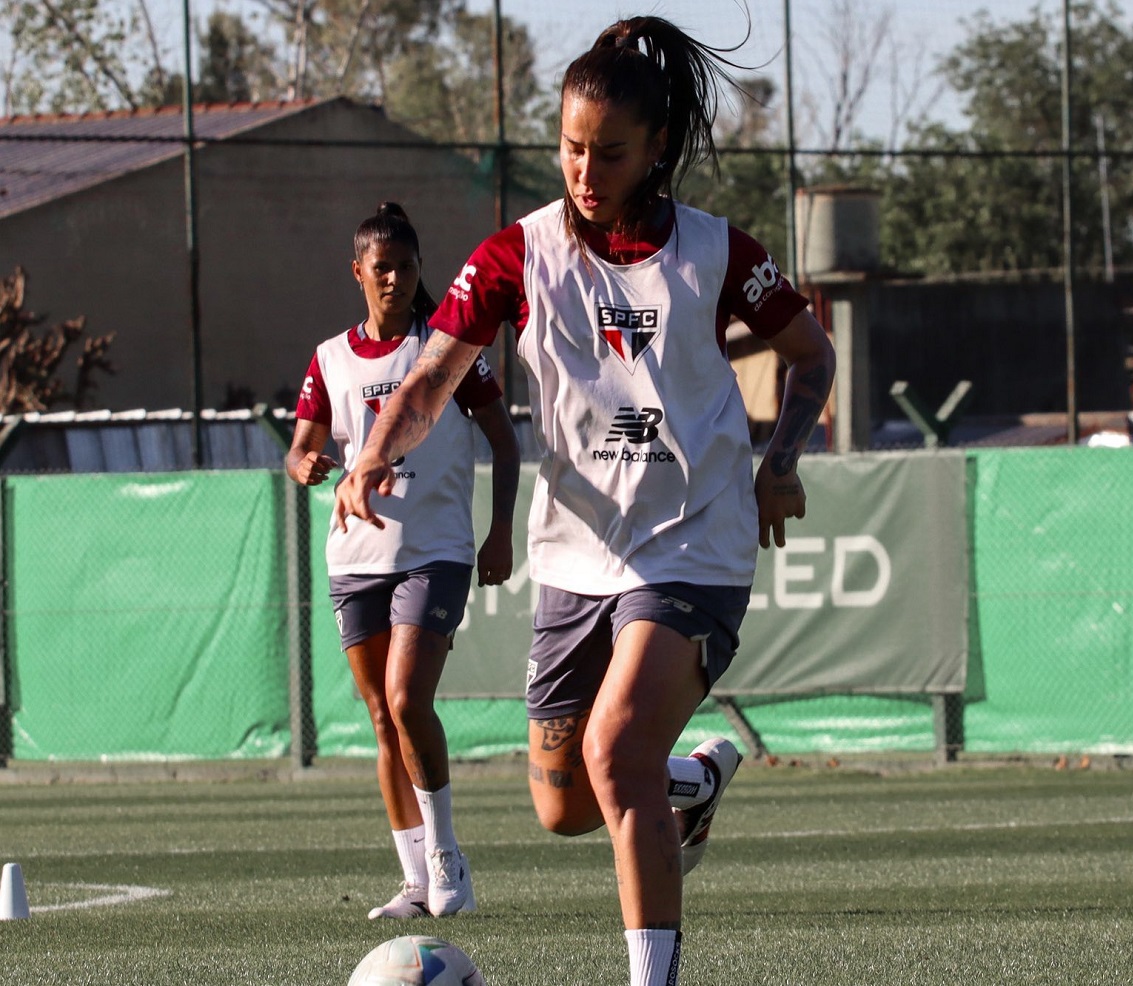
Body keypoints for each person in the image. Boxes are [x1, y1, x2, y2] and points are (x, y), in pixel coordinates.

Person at [331, 17, 836, 986]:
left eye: (609, 152)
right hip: (576, 554)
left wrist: (780, 462)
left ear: (655, 152)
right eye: (570, 147)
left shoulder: (718, 253)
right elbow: (432, 376)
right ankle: (692, 777)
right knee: (563, 805)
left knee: (613, 749)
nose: (585, 169)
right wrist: (371, 456)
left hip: (694, 543)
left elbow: (811, 354)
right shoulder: (514, 254)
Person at [286, 201, 520, 920]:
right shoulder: (328, 358)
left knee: (407, 699)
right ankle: (416, 882)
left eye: (407, 267)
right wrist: (307, 464)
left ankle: (450, 861)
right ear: (357, 272)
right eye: (380, 268)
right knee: (382, 719)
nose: (394, 279)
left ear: (422, 272)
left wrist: (499, 529)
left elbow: (505, 442)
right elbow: (298, 448)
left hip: (435, 550)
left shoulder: (446, 350)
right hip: (356, 554)